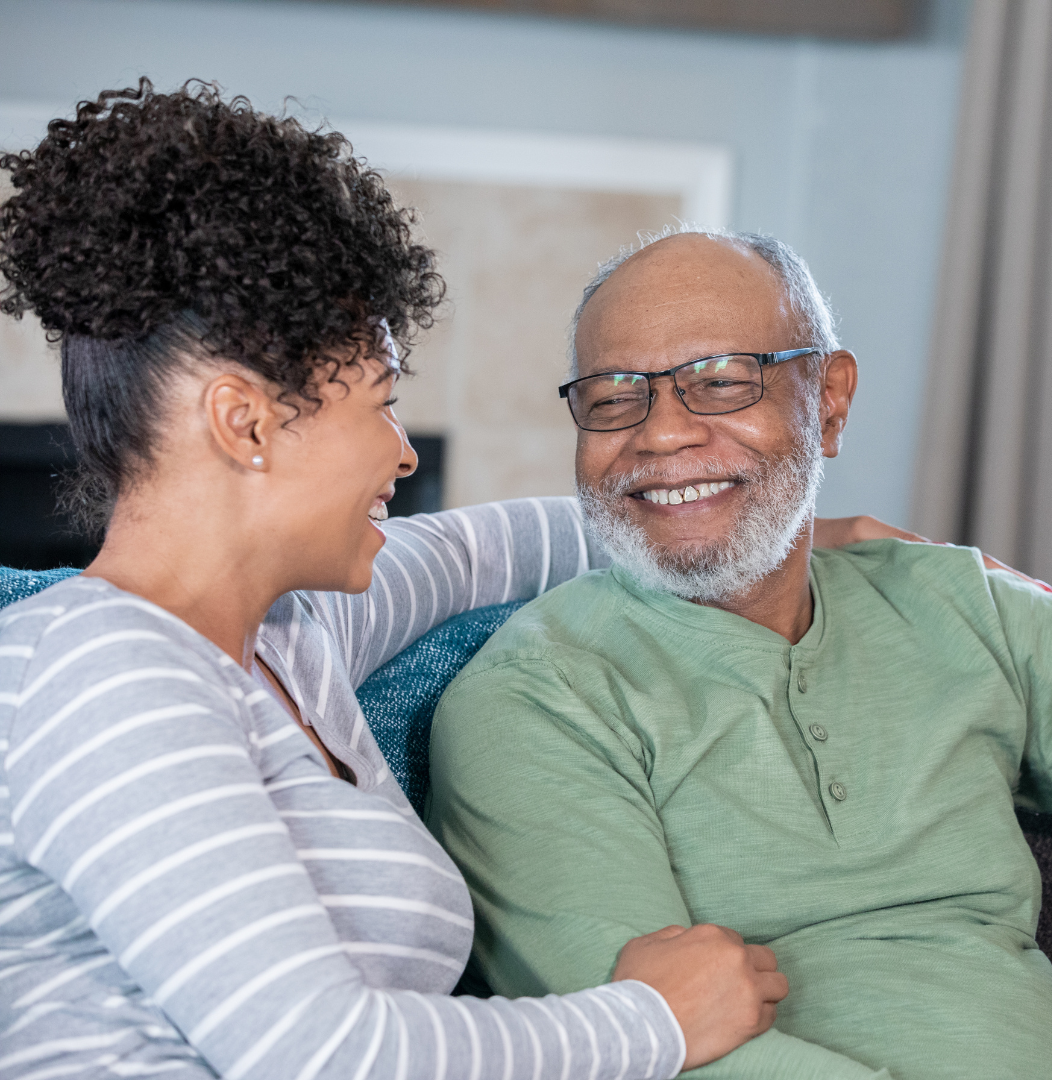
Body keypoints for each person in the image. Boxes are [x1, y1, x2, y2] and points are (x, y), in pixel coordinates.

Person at [0, 83, 801, 1080]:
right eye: (380, 404)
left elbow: (491, 551)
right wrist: (656, 1021)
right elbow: (326, 1052)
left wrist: (757, 528)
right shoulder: (103, 670)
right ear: (243, 422)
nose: (401, 453)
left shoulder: (296, 641)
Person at [426, 228, 1052, 1080]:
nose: (660, 436)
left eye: (720, 382)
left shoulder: (962, 603)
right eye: (613, 397)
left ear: (830, 402)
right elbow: (646, 1047)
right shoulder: (534, 698)